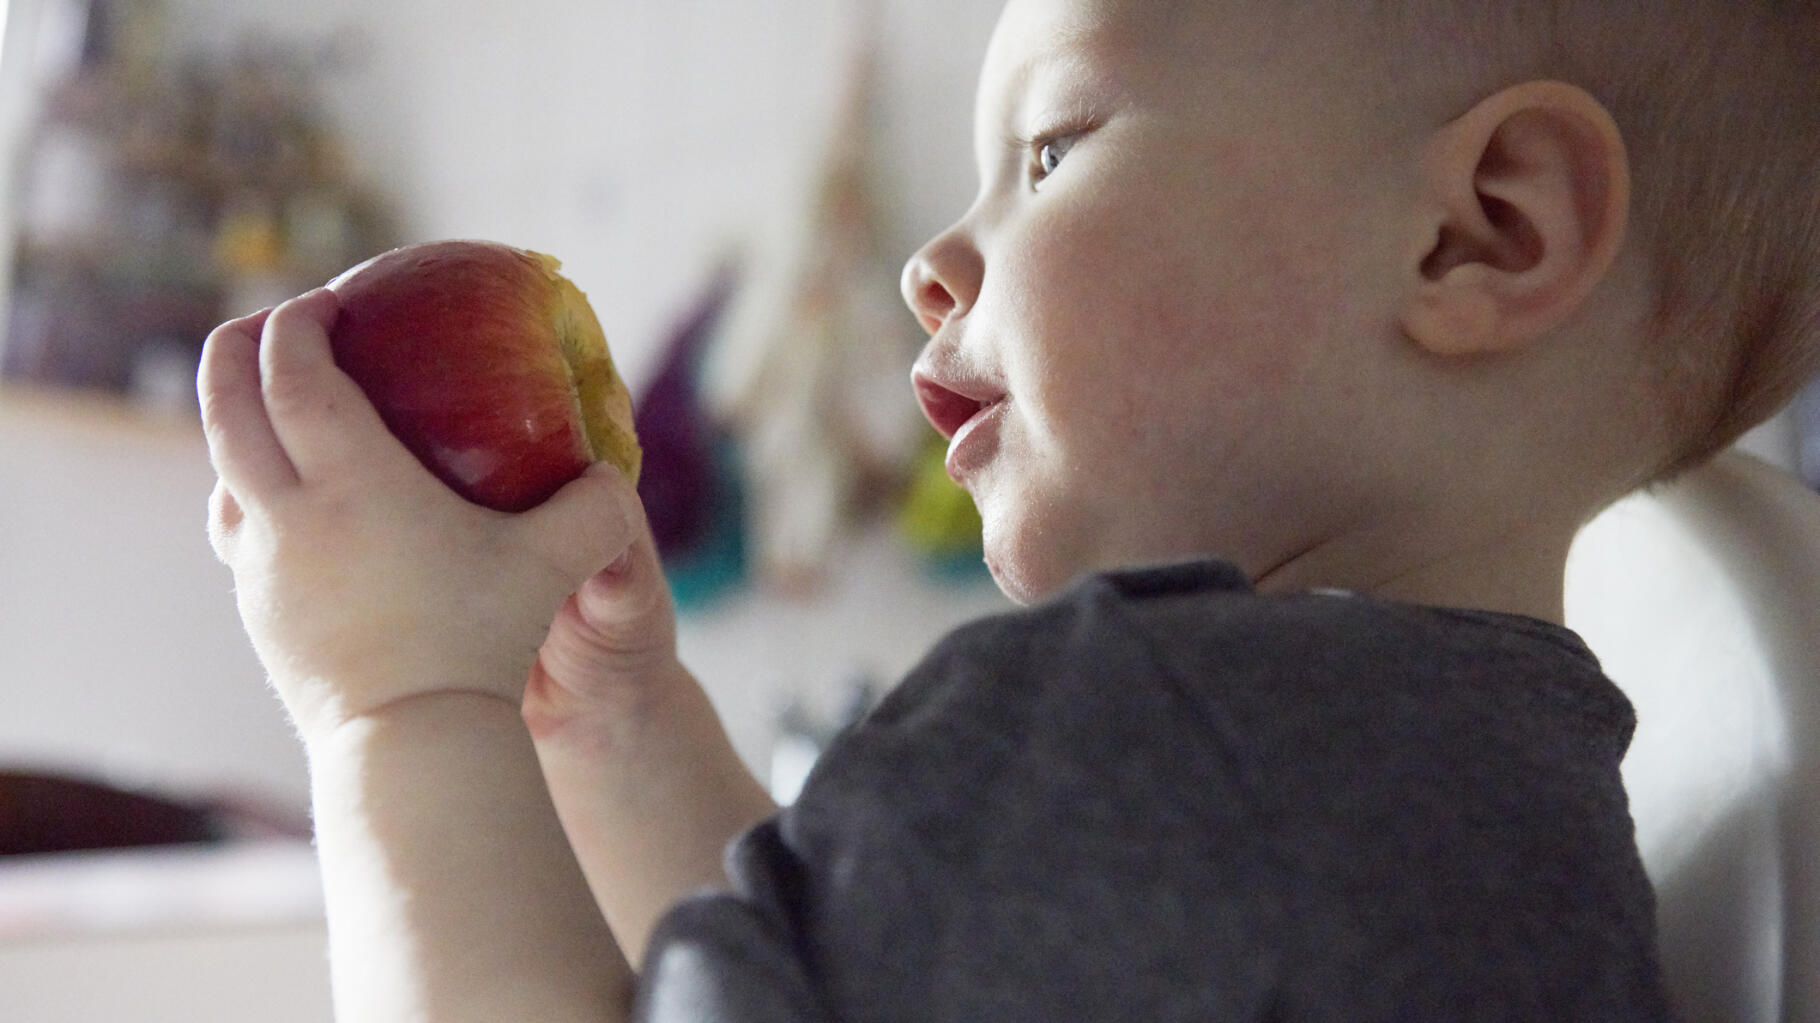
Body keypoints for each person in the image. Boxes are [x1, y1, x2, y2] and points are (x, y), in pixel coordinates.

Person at [196, 0, 1819, 1019]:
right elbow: (849, 979)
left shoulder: (1154, 726)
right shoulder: (1450, 794)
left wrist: (394, 704)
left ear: (1482, 233)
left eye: (1049, 149)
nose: (932, 259)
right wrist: (620, 731)